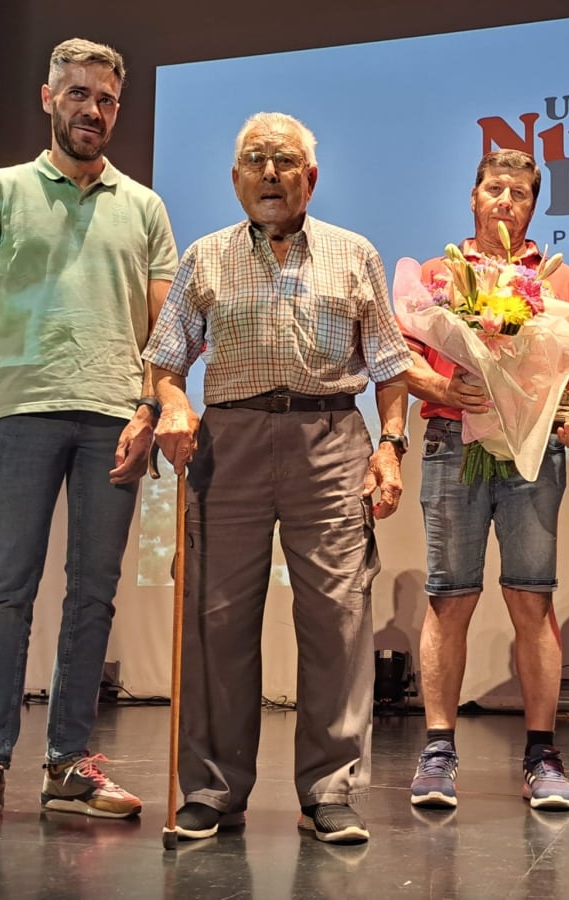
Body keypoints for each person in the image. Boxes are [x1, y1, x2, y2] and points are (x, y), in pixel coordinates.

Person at [0, 38, 178, 830]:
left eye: (106, 100)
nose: (93, 111)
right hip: (25, 415)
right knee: (9, 591)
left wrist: (149, 408)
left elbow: (164, 326)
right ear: (47, 98)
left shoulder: (143, 206)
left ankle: (69, 764)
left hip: (115, 420)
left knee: (94, 596)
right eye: (78, 95)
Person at [143, 111, 411, 845]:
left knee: (337, 619)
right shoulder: (204, 257)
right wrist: (170, 403)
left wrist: (390, 446)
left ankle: (329, 791)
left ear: (310, 178)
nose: (269, 172)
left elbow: (389, 367)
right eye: (254, 160)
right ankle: (212, 790)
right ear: (235, 178)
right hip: (227, 443)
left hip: (329, 438)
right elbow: (165, 362)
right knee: (217, 619)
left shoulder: (354, 254)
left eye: (284, 161)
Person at [402, 149, 569, 813]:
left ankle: (542, 754)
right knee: (448, 597)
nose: (505, 201)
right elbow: (398, 358)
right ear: (473, 197)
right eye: (494, 189)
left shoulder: (561, 280)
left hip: (533, 452)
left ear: (534, 205)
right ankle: (437, 751)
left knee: (531, 599)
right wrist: (439, 383)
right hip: (450, 442)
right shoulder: (435, 275)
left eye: (519, 193)